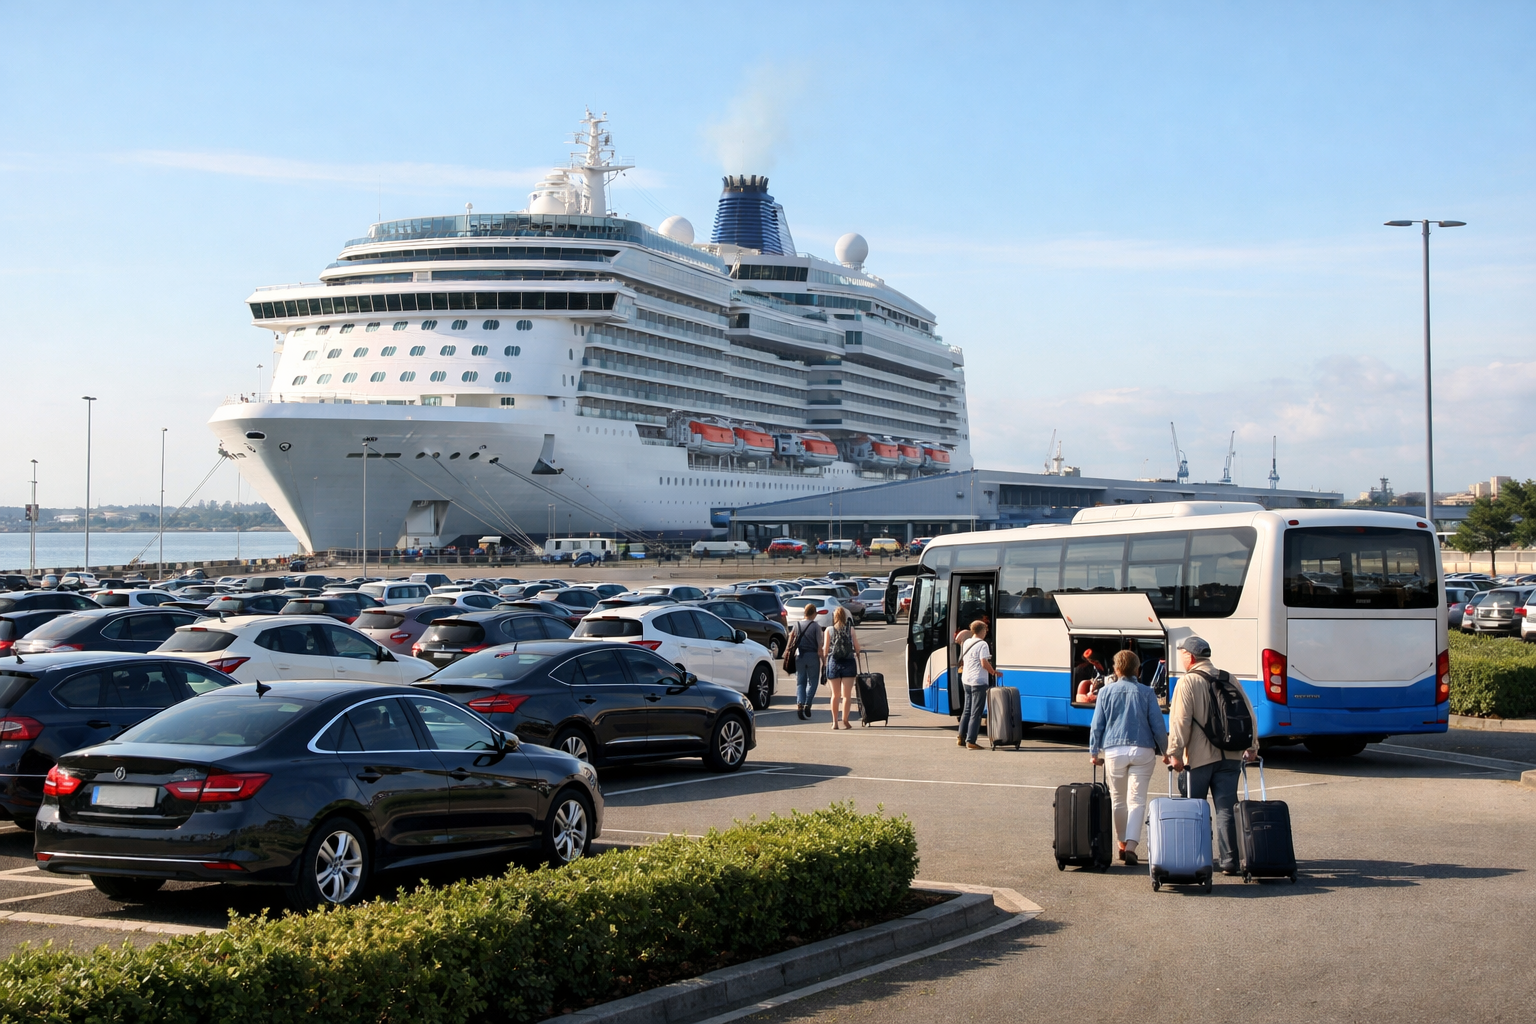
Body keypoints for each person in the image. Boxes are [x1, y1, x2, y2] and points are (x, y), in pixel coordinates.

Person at [1164, 635, 1259, 876]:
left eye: (1182, 654)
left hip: (1199, 758)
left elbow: (1180, 721)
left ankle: (1197, 858)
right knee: (1226, 808)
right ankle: (1229, 861)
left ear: (1191, 657)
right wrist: (1253, 745)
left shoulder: (1188, 682)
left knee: (1195, 809)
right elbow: (1249, 714)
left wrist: (1174, 752)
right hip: (1232, 755)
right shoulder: (1229, 678)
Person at [1087, 649, 1168, 866]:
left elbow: (1097, 726)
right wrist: (1166, 751)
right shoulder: (1147, 692)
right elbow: (1158, 725)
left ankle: (1121, 844)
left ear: (1116, 669)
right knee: (1137, 800)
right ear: (1137, 669)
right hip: (1143, 750)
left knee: (1118, 800)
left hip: (1114, 750)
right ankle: (1132, 844)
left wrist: (1094, 752)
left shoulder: (1105, 692)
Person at [956, 619, 999, 749]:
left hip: (966, 680)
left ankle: (961, 737)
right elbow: (983, 663)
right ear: (982, 630)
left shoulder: (967, 642)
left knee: (967, 710)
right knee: (976, 712)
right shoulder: (983, 644)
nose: (986, 632)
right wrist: (993, 672)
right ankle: (971, 741)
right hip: (978, 681)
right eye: (986, 630)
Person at [821, 605, 862, 730]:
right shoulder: (851, 629)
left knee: (835, 695)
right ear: (845, 617)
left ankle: (835, 722)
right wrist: (858, 653)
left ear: (834, 617)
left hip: (834, 662)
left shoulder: (829, 630)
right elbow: (857, 647)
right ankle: (845, 719)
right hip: (848, 662)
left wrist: (824, 661)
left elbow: (825, 649)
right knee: (847, 695)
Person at [789, 603, 824, 720]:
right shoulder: (816, 627)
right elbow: (820, 646)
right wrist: (823, 661)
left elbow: (791, 638)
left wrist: (786, 653)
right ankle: (808, 704)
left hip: (799, 656)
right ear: (813, 613)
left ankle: (800, 704)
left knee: (800, 682)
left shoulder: (797, 625)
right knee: (813, 681)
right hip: (813, 656)